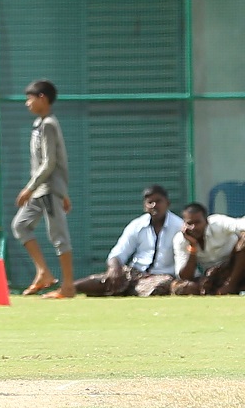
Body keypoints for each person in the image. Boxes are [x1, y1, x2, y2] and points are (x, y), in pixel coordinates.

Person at [11, 80, 76, 297]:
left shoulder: (48, 124)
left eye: (30, 98)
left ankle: (68, 287)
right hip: (42, 190)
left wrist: (30, 188)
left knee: (58, 236)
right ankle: (43, 272)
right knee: (20, 225)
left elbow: (50, 162)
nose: (27, 103)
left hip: (46, 189)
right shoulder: (40, 124)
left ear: (42, 98)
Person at [71, 186, 184, 297]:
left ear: (167, 203)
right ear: (145, 206)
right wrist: (114, 269)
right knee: (102, 280)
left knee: (160, 287)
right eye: (150, 202)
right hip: (134, 273)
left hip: (162, 276)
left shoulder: (179, 226)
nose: (154, 205)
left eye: (158, 201)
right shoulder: (137, 225)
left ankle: (123, 289)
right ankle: (67, 289)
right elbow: (118, 253)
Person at [171, 203, 245, 295]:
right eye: (189, 223)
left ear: (206, 221)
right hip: (212, 275)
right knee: (180, 287)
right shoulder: (180, 239)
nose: (193, 227)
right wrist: (192, 246)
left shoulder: (218, 223)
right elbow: (185, 276)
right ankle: (221, 291)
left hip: (236, 267)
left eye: (197, 222)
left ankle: (237, 286)